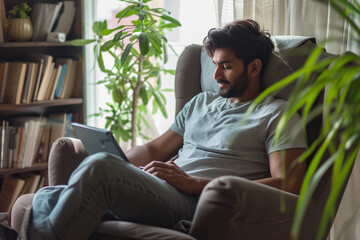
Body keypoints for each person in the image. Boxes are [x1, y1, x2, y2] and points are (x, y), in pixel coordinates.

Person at [27, 19, 307, 239]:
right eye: (215, 65)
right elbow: (154, 149)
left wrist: (196, 184)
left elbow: (288, 185)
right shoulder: (200, 102)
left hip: (198, 202)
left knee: (98, 169)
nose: (216, 76)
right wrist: (125, 168)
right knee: (45, 195)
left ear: (255, 67)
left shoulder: (276, 114)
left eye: (227, 66)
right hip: (163, 191)